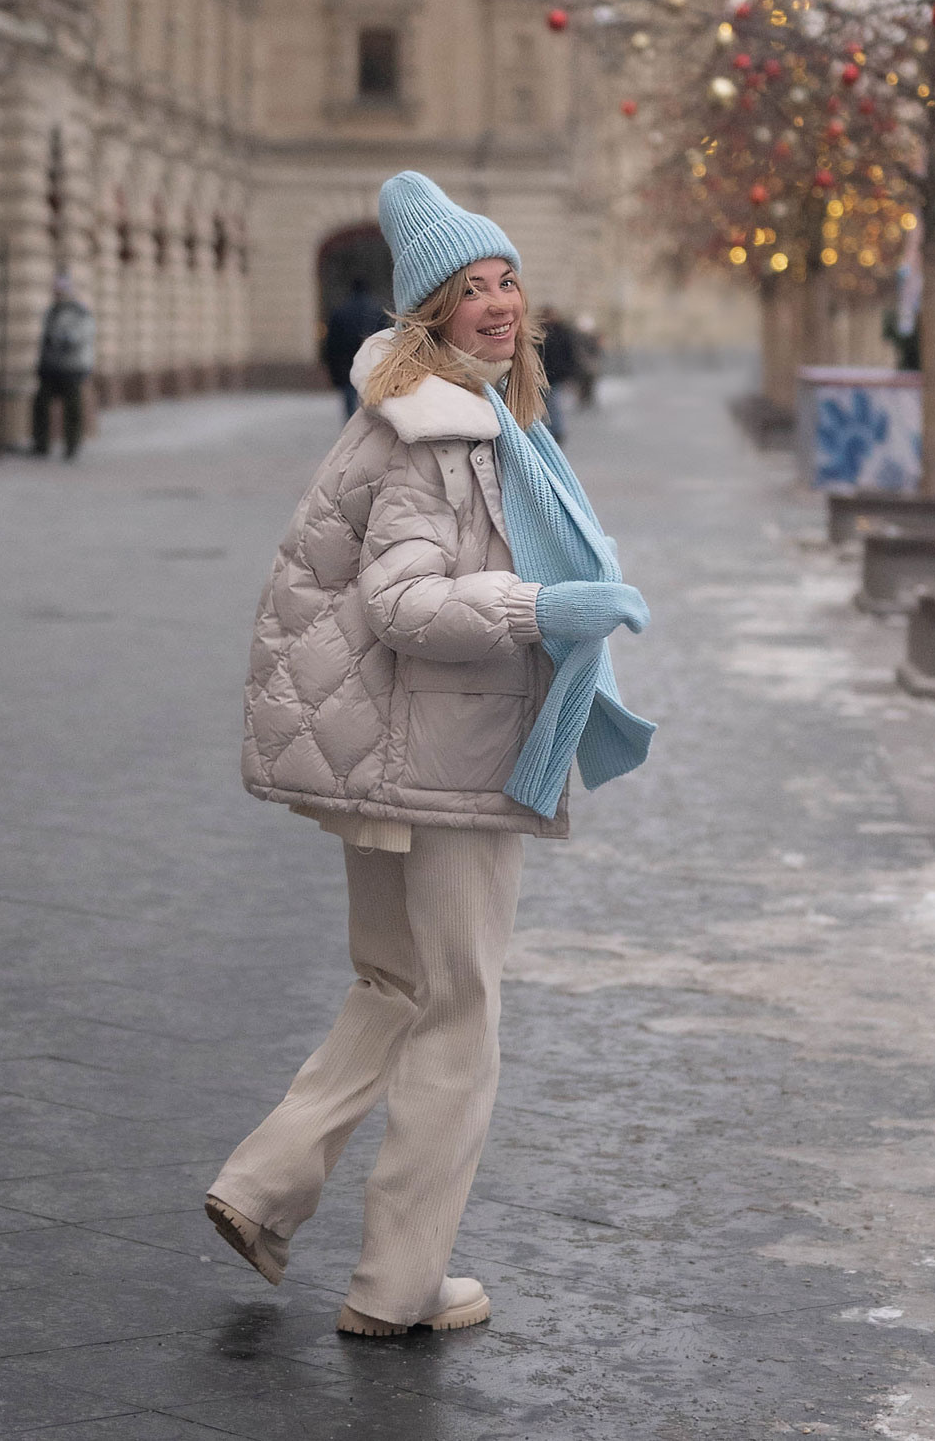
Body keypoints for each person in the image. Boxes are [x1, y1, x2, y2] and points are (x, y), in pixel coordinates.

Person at [206, 171, 654, 1340]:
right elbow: (406, 603)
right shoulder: (441, 433)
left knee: (394, 986)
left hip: (392, 757)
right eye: (470, 290)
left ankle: (260, 1189)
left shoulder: (456, 419)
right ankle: (396, 1287)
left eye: (508, 280)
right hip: (439, 757)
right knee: (457, 1010)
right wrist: (542, 608)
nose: (499, 304)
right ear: (430, 319)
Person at [31, 273, 96, 459]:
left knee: (72, 409)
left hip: (72, 368)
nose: (57, 294)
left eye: (60, 290)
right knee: (41, 405)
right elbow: (44, 339)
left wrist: (61, 339)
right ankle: (41, 444)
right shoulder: (52, 311)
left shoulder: (79, 312)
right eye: (56, 290)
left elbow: (80, 336)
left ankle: (72, 446)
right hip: (50, 367)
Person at [321, 272, 388, 417]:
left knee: (350, 408)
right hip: (373, 365)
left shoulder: (340, 312)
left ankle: (353, 435)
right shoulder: (377, 311)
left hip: (346, 366)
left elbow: (332, 344)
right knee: (373, 407)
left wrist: (331, 369)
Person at [538, 307, 579, 445]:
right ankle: (549, 431)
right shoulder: (539, 332)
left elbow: (569, 354)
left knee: (554, 404)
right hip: (541, 375)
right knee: (545, 405)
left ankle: (556, 431)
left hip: (556, 375)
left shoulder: (562, 333)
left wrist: (568, 373)